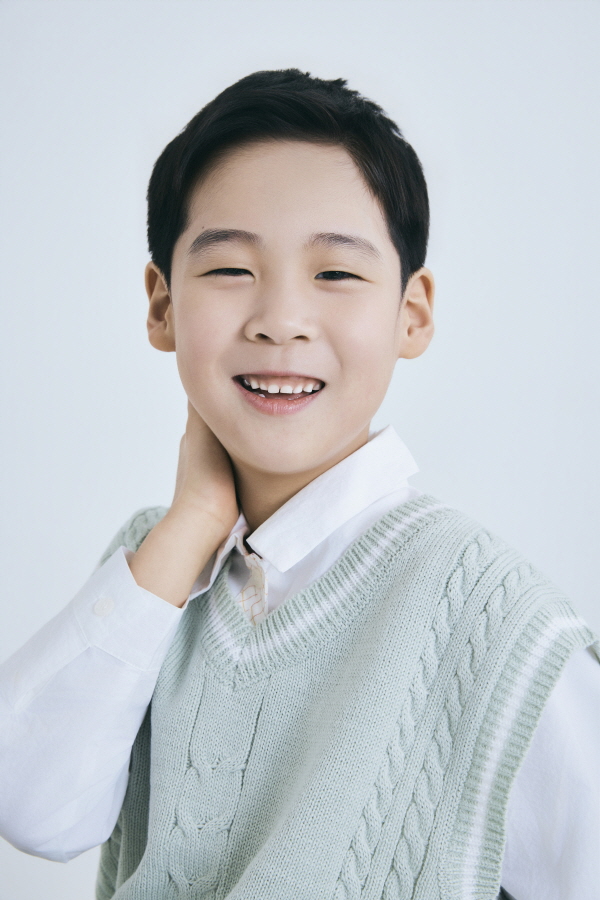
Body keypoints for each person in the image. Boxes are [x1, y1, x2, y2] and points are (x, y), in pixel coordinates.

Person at [0, 69, 598, 900]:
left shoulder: (496, 622)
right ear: (162, 305)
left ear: (413, 312)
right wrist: (192, 521)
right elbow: (32, 809)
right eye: (230, 269)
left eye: (336, 274)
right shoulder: (154, 564)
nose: (280, 320)